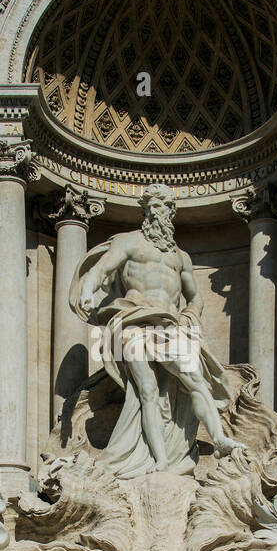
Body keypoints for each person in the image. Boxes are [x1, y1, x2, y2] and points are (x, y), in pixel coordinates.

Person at [71, 183, 242, 477]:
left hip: (169, 325)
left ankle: (220, 439)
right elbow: (100, 271)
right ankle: (160, 460)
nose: (155, 210)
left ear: (171, 212)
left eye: (161, 206)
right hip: (132, 322)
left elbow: (195, 296)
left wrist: (191, 314)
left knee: (195, 380)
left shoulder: (181, 257)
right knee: (146, 391)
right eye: (150, 206)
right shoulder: (128, 242)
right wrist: (87, 290)